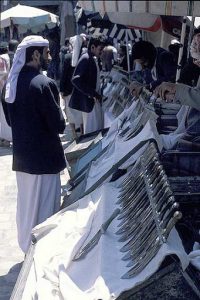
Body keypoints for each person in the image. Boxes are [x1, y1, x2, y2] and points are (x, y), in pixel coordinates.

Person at [3, 35, 66, 253]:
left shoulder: (9, 86)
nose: (50, 57)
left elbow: (11, 122)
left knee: (27, 208)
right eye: (46, 53)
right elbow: (59, 125)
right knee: (46, 209)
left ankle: (27, 250)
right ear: (36, 54)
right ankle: (41, 253)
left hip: (22, 160)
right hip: (45, 160)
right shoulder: (44, 84)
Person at [69, 36, 106, 134]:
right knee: (92, 132)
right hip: (90, 103)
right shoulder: (86, 58)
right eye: (100, 49)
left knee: (97, 129)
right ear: (93, 47)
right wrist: (92, 94)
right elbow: (76, 79)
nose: (101, 52)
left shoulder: (92, 58)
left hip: (94, 101)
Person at [0, 41, 11, 146]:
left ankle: (6, 138)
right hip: (10, 88)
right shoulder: (10, 56)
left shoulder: (1, 59)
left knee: (3, 116)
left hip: (2, 89)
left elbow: (2, 74)